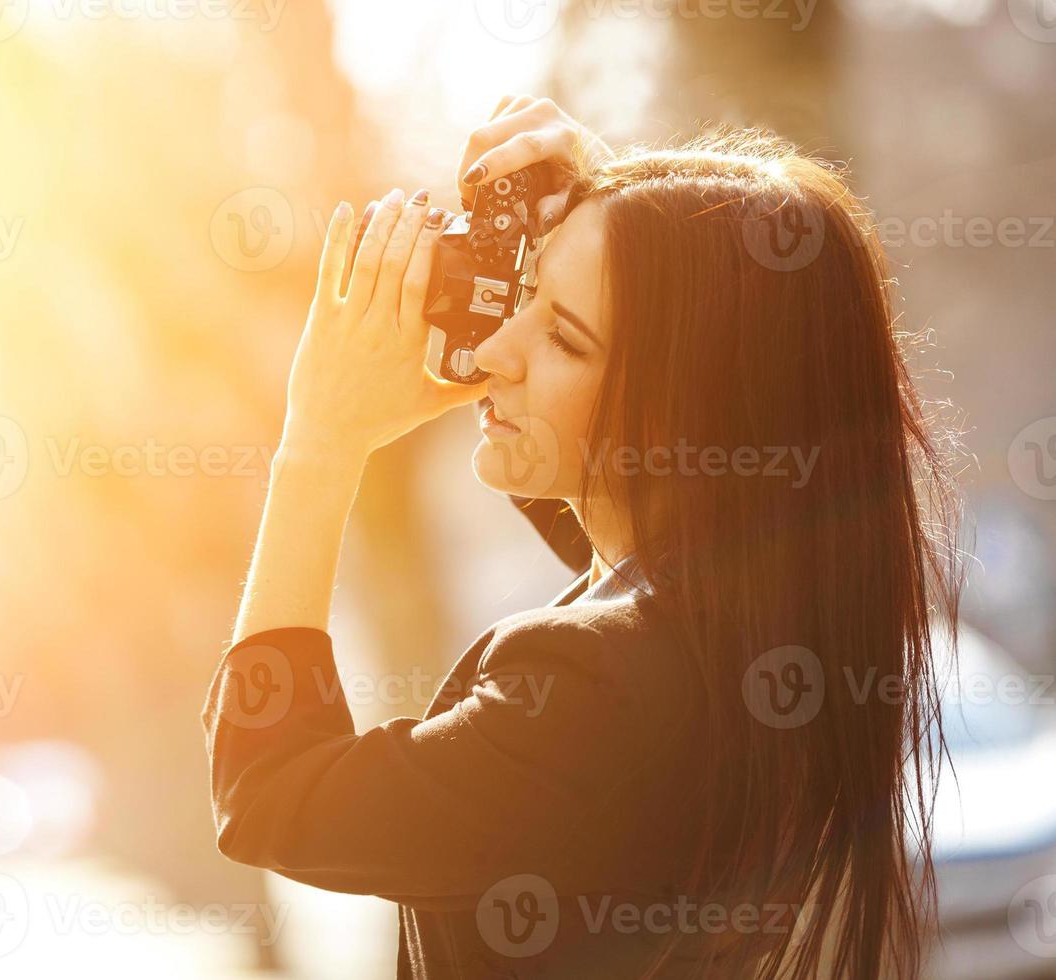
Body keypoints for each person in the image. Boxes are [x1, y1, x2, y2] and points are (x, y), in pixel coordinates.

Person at [202, 95, 963, 979]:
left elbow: (270, 792)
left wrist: (318, 446)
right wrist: (636, 206)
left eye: (562, 337)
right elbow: (628, 542)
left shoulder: (591, 690)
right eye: (527, 295)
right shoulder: (761, 634)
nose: (495, 351)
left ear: (683, 414)